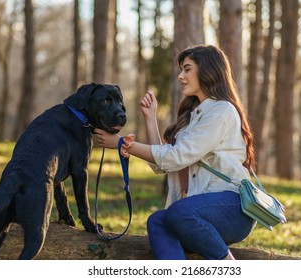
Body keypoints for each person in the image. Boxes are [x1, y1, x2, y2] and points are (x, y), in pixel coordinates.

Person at [94, 45, 256, 260]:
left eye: (187, 69)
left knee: (178, 212)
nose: (181, 76)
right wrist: (150, 119)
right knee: (158, 220)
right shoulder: (195, 114)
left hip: (232, 209)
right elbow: (164, 164)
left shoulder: (221, 111)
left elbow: (176, 156)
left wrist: (123, 143)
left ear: (208, 70)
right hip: (198, 211)